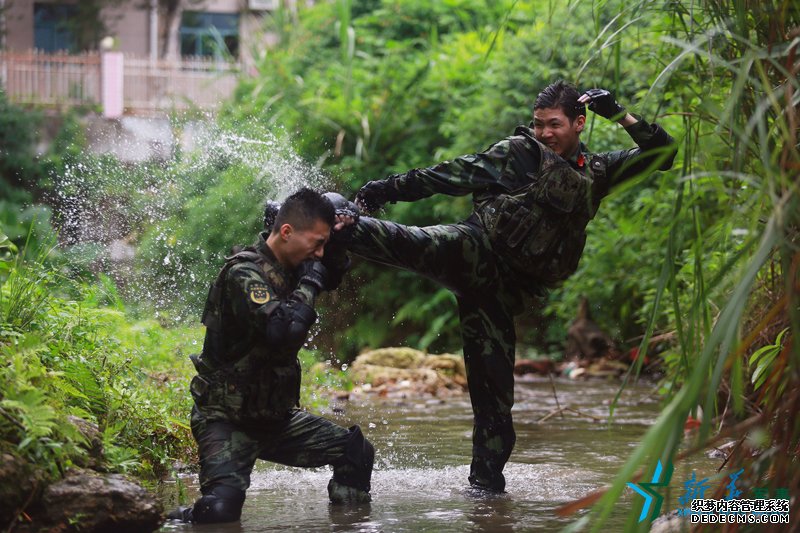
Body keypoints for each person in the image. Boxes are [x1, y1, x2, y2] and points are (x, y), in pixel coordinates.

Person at [348, 81, 677, 493]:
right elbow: (448, 175)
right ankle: (325, 222)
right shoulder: (519, 153)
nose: (544, 134)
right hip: (471, 251)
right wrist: (385, 189)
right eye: (539, 125)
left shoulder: (598, 172)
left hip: (499, 296)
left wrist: (620, 114)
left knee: (496, 408)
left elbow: (663, 153)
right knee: (405, 241)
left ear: (579, 122)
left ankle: (484, 496)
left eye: (554, 125)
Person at [168, 188, 373, 524]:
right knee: (220, 513)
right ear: (287, 232)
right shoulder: (244, 273)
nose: (319, 255)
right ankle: (177, 519)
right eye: (316, 244)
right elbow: (282, 329)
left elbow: (330, 271)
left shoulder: (295, 263)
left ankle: (348, 523)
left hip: (275, 419)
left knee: (356, 452)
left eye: (323, 245)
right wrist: (310, 283)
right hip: (227, 419)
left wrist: (339, 238)